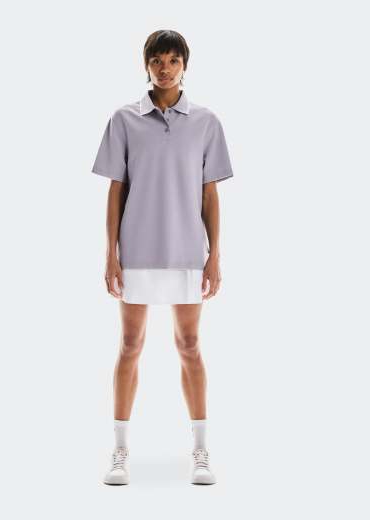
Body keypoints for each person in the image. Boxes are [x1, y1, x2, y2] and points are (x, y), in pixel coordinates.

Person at [91, 30, 234, 485]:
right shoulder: (124, 119)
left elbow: (210, 195)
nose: (165, 68)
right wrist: (111, 255)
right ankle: (119, 451)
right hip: (136, 251)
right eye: (157, 60)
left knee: (189, 345)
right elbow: (115, 191)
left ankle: (201, 451)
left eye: (173, 60)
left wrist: (214, 255)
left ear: (184, 65)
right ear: (146, 64)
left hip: (188, 251)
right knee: (130, 345)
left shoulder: (206, 122)